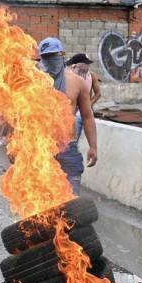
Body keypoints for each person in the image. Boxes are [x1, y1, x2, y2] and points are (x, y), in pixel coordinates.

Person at [38, 38, 98, 195]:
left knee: (71, 200)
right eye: (46, 57)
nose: (50, 60)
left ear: (62, 54)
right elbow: (22, 114)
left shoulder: (77, 83)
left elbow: (87, 116)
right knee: (41, 199)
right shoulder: (34, 82)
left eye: (53, 55)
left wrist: (93, 146)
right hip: (40, 146)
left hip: (67, 147)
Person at [66, 53, 101, 139]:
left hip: (85, 110)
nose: (88, 66)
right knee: (72, 134)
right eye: (86, 63)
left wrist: (88, 104)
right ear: (77, 65)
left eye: (88, 63)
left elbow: (98, 94)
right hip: (73, 111)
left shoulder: (91, 75)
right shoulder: (69, 76)